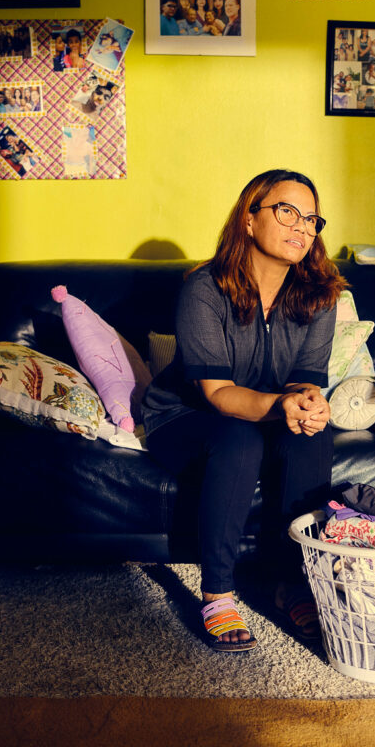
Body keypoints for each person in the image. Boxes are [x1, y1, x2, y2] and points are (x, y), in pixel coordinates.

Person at [141, 169, 346, 653]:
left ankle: (289, 583)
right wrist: (282, 405)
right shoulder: (204, 289)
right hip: (185, 417)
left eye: (312, 219)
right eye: (286, 211)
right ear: (249, 219)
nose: (302, 226)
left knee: (314, 434)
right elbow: (217, 395)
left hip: (265, 413)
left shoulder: (320, 294)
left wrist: (306, 401)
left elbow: (305, 377)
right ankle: (216, 591)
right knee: (239, 437)